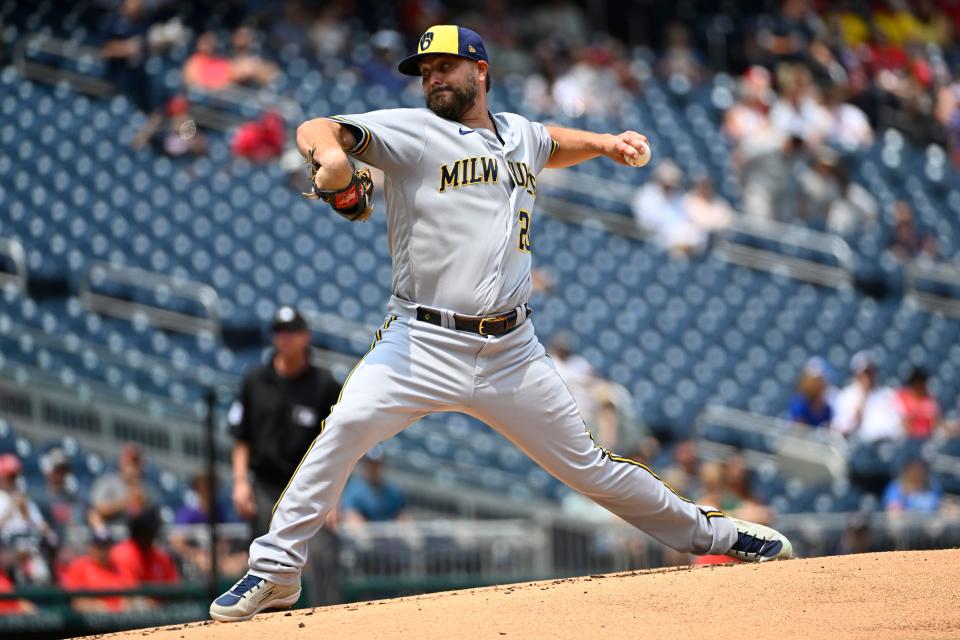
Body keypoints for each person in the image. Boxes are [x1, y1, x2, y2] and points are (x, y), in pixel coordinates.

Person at [210, 24, 792, 623]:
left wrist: (603, 142)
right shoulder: (415, 133)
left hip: (513, 349)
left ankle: (716, 538)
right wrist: (331, 155)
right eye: (425, 70)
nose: (432, 77)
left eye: (444, 66)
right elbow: (318, 129)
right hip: (422, 339)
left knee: (591, 467)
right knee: (346, 426)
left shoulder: (517, 133)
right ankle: (275, 571)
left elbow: (547, 142)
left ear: (480, 71)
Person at [227, 306, 342, 607]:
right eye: (279, 332)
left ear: (307, 336)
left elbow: (340, 442)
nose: (285, 338)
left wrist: (334, 493)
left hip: (309, 486)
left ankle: (332, 627)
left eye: (292, 332)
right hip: (265, 485)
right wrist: (240, 481)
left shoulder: (324, 384)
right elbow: (241, 438)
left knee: (322, 558)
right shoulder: (255, 380)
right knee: (264, 563)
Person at [0, 454, 55, 585]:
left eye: (16, 476)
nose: (14, 480)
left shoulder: (25, 500)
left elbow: (45, 530)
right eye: (10, 476)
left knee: (42, 573)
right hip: (6, 552)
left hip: (30, 549)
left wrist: (26, 514)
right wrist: (11, 509)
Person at [59, 530, 143, 613]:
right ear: (91, 547)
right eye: (99, 547)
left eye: (106, 546)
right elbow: (75, 601)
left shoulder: (120, 567)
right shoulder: (79, 566)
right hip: (91, 619)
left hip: (123, 618)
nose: (103, 551)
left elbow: (133, 594)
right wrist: (102, 607)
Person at [832, 351, 903, 442]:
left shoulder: (887, 394)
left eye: (871, 371)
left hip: (886, 444)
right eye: (866, 372)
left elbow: (899, 427)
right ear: (857, 374)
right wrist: (863, 396)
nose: (869, 376)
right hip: (858, 445)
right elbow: (843, 429)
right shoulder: (846, 395)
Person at [87, 444, 159, 532]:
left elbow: (154, 515)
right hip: (113, 534)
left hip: (138, 537)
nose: (136, 468)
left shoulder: (147, 489)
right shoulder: (108, 482)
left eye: (138, 463)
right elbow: (96, 510)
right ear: (122, 463)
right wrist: (125, 502)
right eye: (132, 463)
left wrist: (142, 501)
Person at [109, 507, 179, 585]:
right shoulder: (122, 554)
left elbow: (174, 587)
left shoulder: (161, 558)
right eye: (148, 533)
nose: (151, 537)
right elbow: (130, 593)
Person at [341, 448, 406, 523]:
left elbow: (401, 516)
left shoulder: (393, 492)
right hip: (365, 532)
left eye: (377, 464)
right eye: (370, 464)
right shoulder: (353, 490)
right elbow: (351, 515)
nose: (374, 468)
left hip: (391, 533)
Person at [786, 356, 834, 428]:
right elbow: (798, 429)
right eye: (813, 380)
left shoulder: (827, 407)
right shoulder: (799, 403)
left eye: (818, 380)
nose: (815, 384)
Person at [895, 367, 941, 440]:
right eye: (917, 383)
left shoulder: (930, 400)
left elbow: (936, 423)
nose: (919, 386)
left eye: (922, 382)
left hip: (927, 438)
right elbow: (903, 425)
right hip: (906, 439)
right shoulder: (900, 397)